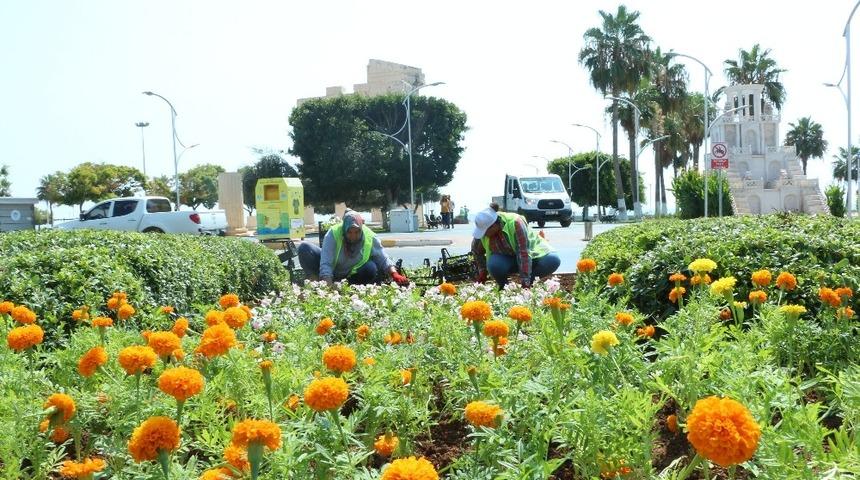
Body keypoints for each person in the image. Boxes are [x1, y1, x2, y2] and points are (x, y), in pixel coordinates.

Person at [298, 210, 409, 287]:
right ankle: (315, 281)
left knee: (371, 268)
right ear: (344, 230)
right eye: (349, 232)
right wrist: (327, 285)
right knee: (305, 248)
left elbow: (382, 258)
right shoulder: (333, 234)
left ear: (361, 229)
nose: (353, 236)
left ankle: (351, 287)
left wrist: (394, 274)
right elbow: (326, 263)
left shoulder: (369, 236)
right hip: (333, 269)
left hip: (350, 274)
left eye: (356, 232)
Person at [471, 207, 560, 289]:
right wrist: (482, 271)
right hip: (509, 259)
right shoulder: (483, 229)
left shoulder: (515, 223)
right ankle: (504, 288)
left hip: (533, 254)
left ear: (494, 225)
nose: (484, 234)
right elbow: (476, 251)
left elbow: (524, 253)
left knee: (553, 260)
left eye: (485, 231)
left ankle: (530, 283)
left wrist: (525, 282)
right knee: (494, 265)